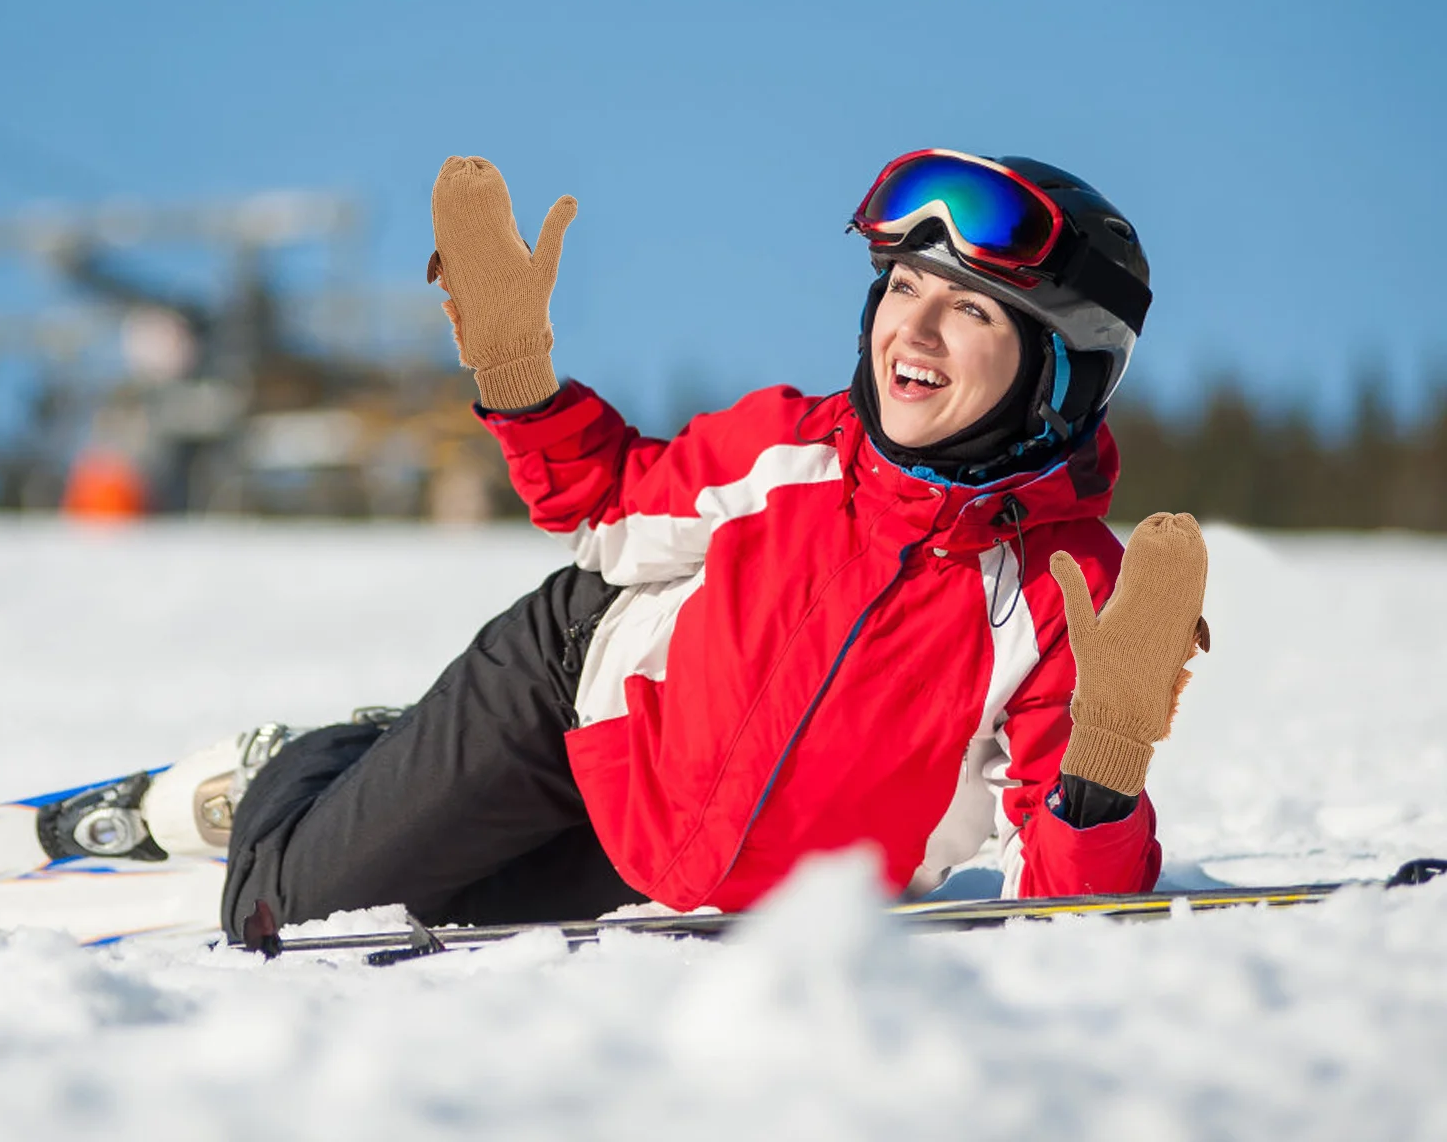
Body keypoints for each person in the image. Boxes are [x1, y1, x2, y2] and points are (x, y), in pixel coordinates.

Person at [91, 148, 1209, 943]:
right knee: (284, 916)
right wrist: (519, 380)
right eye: (900, 288)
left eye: (966, 310)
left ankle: (391, 779)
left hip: (661, 865)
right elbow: (611, 501)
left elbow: (1070, 909)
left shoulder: (1071, 597)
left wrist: (1100, 781)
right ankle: (300, 770)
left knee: (422, 932)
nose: (907, 330)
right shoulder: (790, 448)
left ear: (1058, 367)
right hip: (569, 709)